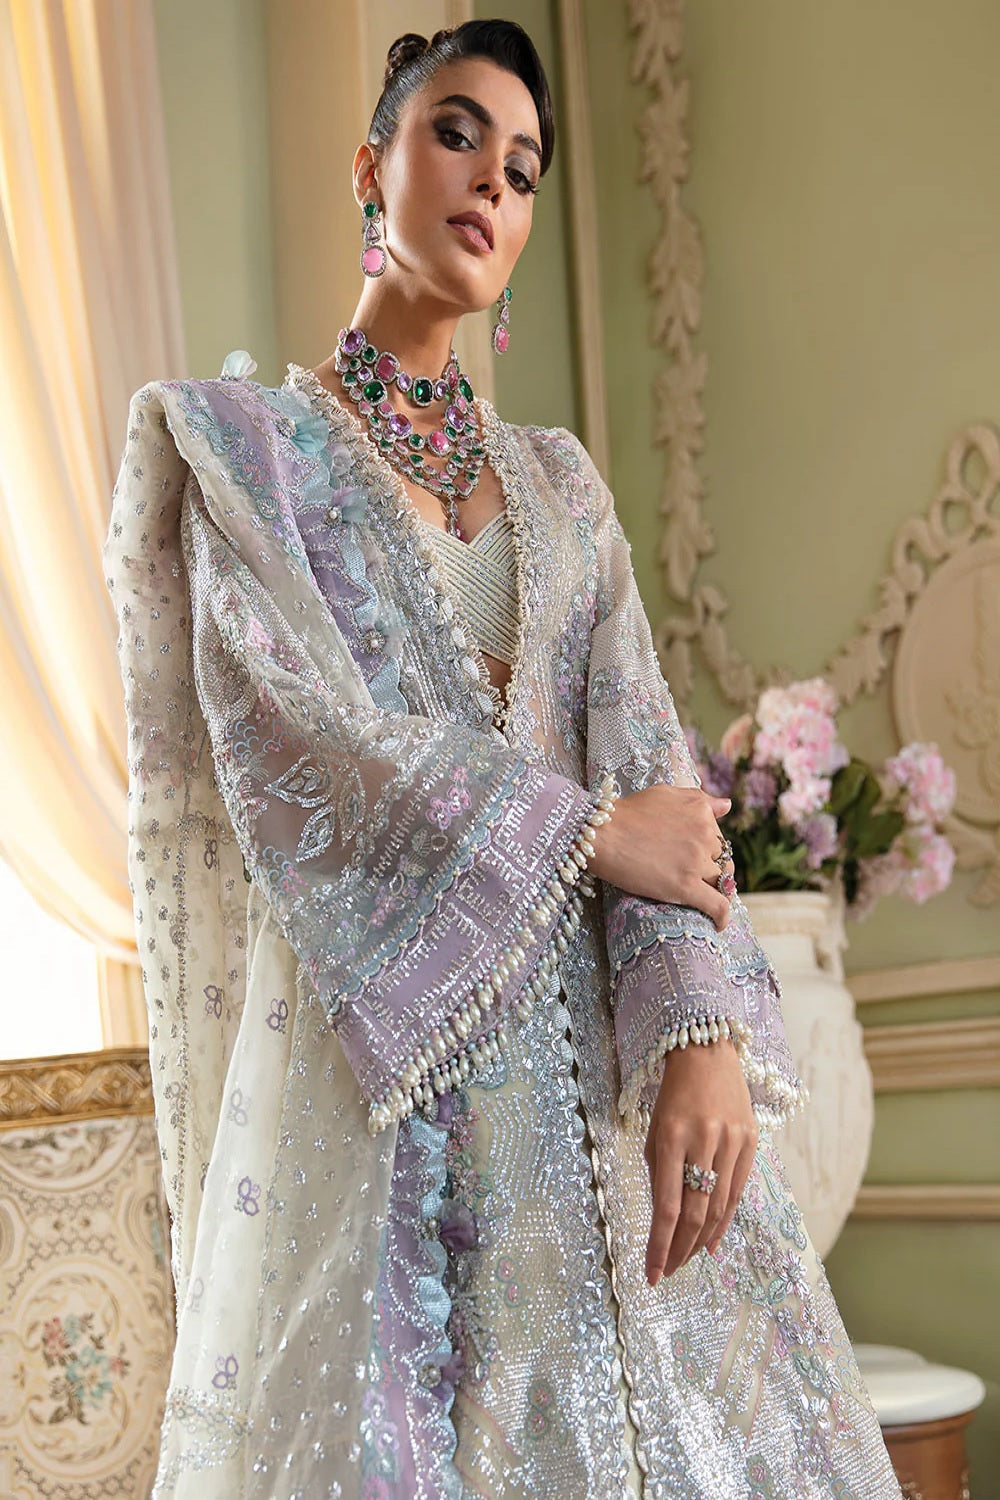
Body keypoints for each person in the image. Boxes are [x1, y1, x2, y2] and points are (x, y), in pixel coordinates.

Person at [105, 19, 902, 1498]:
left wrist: (701, 1033)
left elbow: (653, 762)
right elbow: (301, 744)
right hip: (393, 1089)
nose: (492, 182)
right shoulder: (249, 459)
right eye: (457, 134)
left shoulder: (561, 486)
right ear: (372, 167)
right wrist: (590, 831)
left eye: (524, 170)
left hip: (599, 1097)